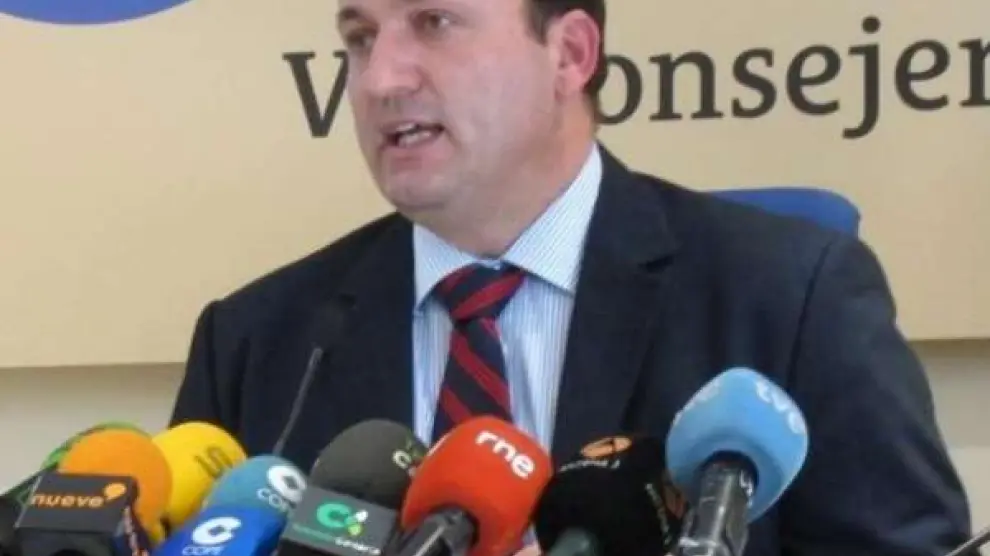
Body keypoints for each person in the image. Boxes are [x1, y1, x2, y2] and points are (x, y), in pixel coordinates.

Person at [169, 0, 974, 554]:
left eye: (433, 23)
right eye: (360, 37)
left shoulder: (792, 296)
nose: (381, 79)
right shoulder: (256, 342)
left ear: (570, 54)